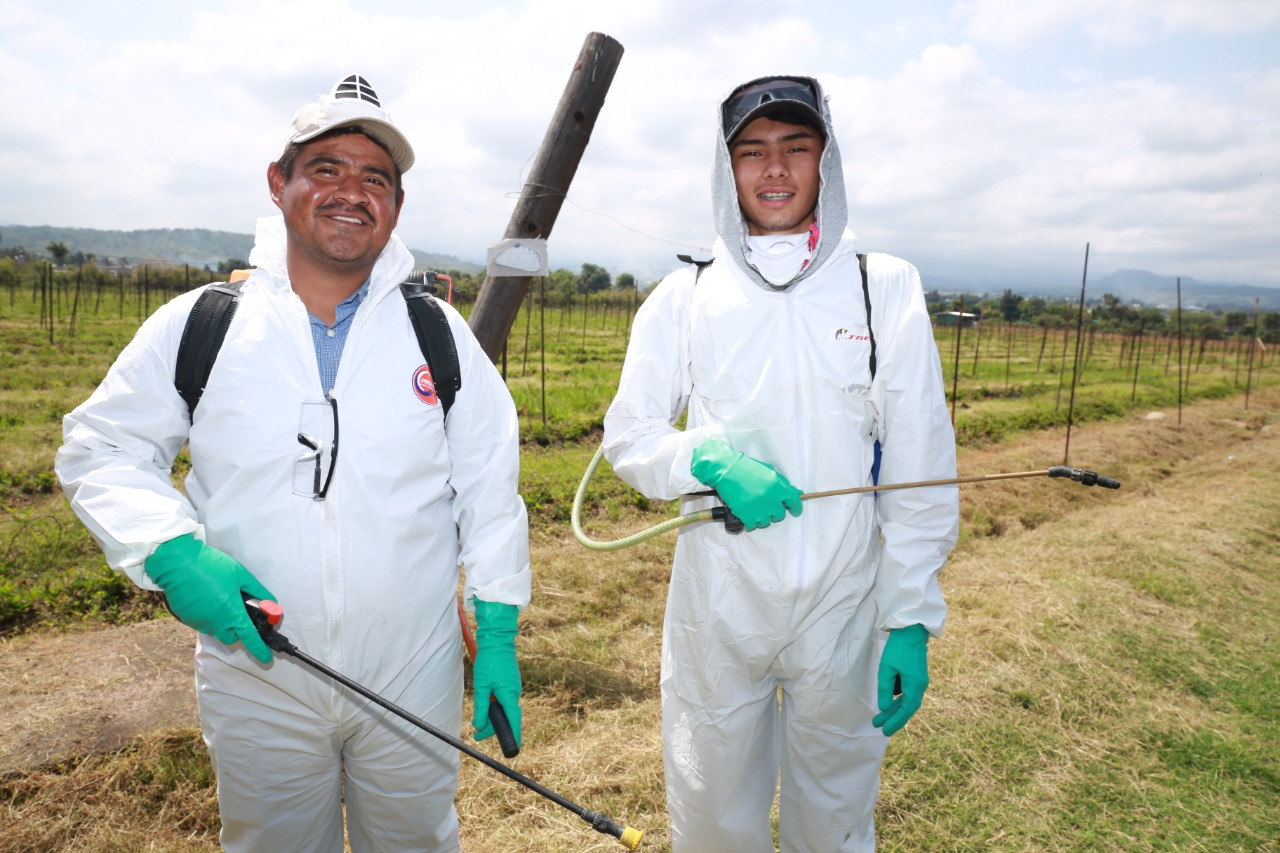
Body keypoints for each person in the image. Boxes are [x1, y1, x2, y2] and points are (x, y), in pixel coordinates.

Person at [55, 74, 530, 852]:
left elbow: (489, 484)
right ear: (280, 184)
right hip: (258, 672)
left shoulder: (436, 335)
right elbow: (100, 448)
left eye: (375, 178)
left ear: (396, 207)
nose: (352, 192)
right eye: (327, 170)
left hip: (412, 666)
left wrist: (500, 624)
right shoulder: (203, 324)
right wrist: (171, 550)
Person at [602, 74, 960, 851]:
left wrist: (910, 619)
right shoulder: (688, 293)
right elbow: (628, 436)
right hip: (719, 608)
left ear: (826, 163)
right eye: (752, 151)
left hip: (844, 603)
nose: (773, 170)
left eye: (795, 149)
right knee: (710, 817)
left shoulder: (880, 288)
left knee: (834, 817)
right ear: (726, 169)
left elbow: (920, 465)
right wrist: (709, 460)